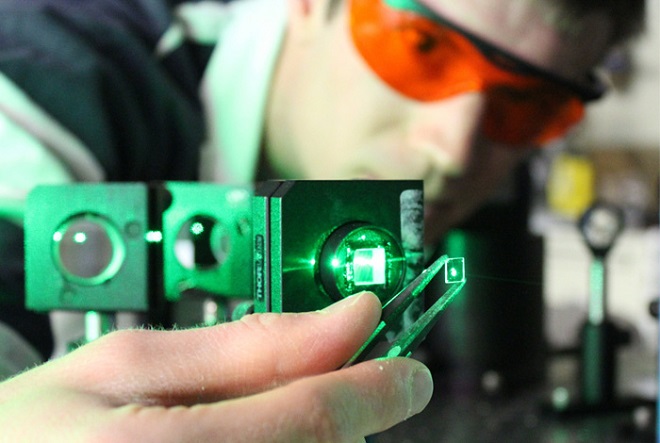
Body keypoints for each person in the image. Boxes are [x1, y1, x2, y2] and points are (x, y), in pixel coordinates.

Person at [0, 0, 646, 440]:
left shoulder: (493, 165)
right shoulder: (51, 92)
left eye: (528, 105)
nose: (453, 149)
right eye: (421, 49)